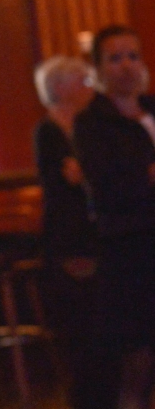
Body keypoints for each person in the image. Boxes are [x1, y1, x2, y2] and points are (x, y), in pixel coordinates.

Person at [75, 26, 155, 409]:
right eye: (115, 58)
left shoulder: (152, 111)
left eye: (133, 56)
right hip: (132, 252)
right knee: (136, 358)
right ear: (99, 69)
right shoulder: (92, 123)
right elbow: (107, 184)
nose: (126, 66)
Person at [33, 56, 111, 409]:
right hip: (71, 241)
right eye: (83, 81)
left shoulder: (89, 125)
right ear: (60, 87)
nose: (89, 89)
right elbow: (63, 185)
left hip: (99, 236)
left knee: (107, 329)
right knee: (82, 330)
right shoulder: (49, 130)